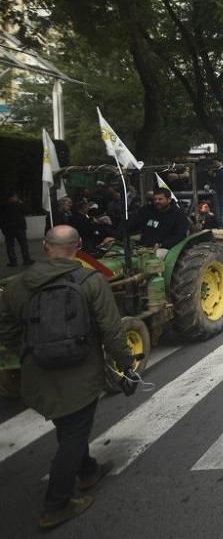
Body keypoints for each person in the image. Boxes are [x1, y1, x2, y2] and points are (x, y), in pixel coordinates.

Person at [0, 226, 132, 529]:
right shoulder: (91, 281)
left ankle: (87, 471)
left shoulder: (17, 285)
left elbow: (7, 330)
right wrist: (125, 364)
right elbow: (112, 330)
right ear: (79, 246)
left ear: (45, 247)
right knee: (74, 434)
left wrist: (31, 352)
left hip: (38, 374)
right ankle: (56, 504)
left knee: (68, 425)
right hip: (80, 373)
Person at [124, 188, 190, 250]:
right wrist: (116, 236)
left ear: (169, 200)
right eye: (155, 199)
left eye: (160, 199)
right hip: (145, 246)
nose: (157, 201)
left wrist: (162, 244)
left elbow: (179, 235)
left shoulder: (178, 214)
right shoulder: (147, 210)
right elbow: (132, 223)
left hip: (167, 248)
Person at [1, 191, 33, 266]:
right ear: (11, 198)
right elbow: (28, 211)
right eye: (15, 197)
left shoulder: (3, 207)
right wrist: (22, 203)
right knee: (22, 244)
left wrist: (3, 229)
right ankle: (26, 260)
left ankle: (14, 261)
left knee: (11, 245)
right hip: (18, 228)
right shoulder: (18, 205)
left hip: (9, 229)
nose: (17, 198)